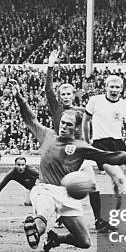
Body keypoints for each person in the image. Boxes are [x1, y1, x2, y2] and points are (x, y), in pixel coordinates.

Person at [9, 79, 126, 252]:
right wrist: (19, 97)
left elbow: (112, 157)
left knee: (84, 242)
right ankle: (34, 230)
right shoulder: (47, 135)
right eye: (62, 122)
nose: (63, 126)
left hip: (66, 194)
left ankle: (57, 238)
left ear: (76, 128)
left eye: (68, 124)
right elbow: (30, 118)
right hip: (44, 188)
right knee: (43, 214)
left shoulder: (81, 147)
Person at [44, 49, 99, 227]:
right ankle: (61, 216)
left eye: (69, 94)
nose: (66, 97)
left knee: (92, 185)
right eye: (63, 94)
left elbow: (91, 124)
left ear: (73, 95)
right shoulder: (56, 109)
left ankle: (99, 219)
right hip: (61, 154)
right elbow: (48, 89)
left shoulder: (82, 112)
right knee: (62, 185)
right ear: (60, 97)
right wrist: (50, 66)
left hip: (79, 154)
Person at [82, 75, 126, 231]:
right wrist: (87, 142)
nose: (114, 90)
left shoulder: (125, 105)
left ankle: (113, 219)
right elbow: (85, 121)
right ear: (106, 87)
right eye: (112, 87)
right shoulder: (95, 101)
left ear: (121, 89)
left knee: (117, 185)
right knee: (121, 180)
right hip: (101, 145)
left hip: (118, 144)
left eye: (117, 87)